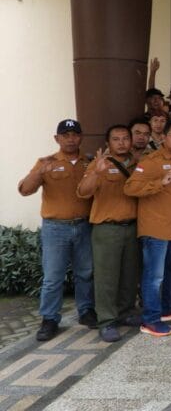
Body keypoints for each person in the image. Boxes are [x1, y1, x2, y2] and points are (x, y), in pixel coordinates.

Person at [18, 119, 96, 341]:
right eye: (65, 135)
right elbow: (25, 190)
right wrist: (39, 173)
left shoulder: (89, 162)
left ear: (81, 137)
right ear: (57, 139)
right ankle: (50, 318)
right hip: (55, 229)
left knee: (85, 273)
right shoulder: (46, 162)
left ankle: (86, 311)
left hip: (84, 225)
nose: (70, 139)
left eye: (74, 134)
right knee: (53, 276)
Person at [124, 119, 171, 337]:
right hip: (155, 228)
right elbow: (130, 187)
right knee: (154, 276)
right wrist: (160, 182)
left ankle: (167, 308)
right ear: (163, 137)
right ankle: (150, 320)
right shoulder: (151, 161)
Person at [76, 125, 139, 342]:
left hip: (132, 227)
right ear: (108, 143)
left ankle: (126, 312)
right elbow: (83, 192)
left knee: (129, 275)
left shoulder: (137, 163)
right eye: (116, 139)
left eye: (125, 138)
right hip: (107, 228)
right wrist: (96, 172)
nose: (121, 142)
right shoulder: (99, 163)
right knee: (106, 278)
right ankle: (107, 321)